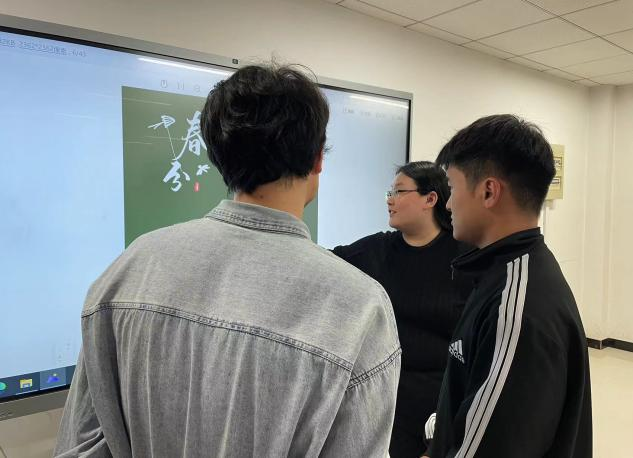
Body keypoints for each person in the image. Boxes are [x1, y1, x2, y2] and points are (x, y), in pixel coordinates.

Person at [54, 64, 401, 457]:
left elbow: (82, 446)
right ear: (318, 159)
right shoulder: (358, 309)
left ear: (219, 156)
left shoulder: (131, 268)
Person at [425, 114, 592, 457]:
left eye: (452, 188)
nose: (448, 203)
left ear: (489, 191)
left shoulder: (516, 306)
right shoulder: (504, 273)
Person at [332, 161, 471, 458]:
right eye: (389, 192)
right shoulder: (378, 250)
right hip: (386, 397)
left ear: (430, 199)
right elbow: (326, 264)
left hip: (443, 401)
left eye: (398, 191)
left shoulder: (463, 257)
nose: (389, 200)